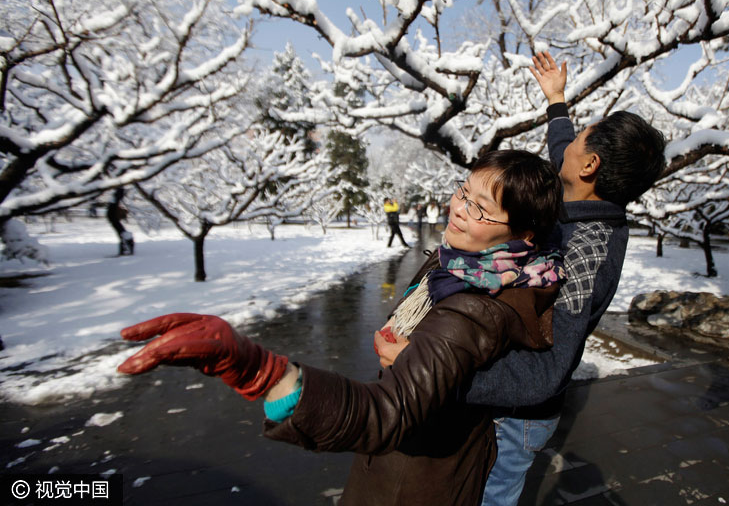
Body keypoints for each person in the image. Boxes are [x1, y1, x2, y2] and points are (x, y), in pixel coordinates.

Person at [117, 149, 566, 506]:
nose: (460, 210)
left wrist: (262, 372)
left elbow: (386, 413)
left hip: (416, 479)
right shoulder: (463, 261)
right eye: (463, 192)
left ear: (524, 234)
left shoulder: (474, 306)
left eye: (481, 209)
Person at [376, 52, 667, 505]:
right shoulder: (576, 191)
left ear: (588, 167)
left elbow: (547, 371)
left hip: (513, 417)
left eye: (581, 138)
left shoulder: (587, 252)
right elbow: (561, 147)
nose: (568, 144)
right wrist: (556, 102)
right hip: (499, 398)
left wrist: (431, 371)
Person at [106, 187, 134, 256]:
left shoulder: (114, 201)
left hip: (113, 218)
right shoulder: (114, 201)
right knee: (122, 232)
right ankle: (126, 247)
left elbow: (117, 197)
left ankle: (125, 248)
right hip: (113, 218)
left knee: (121, 232)